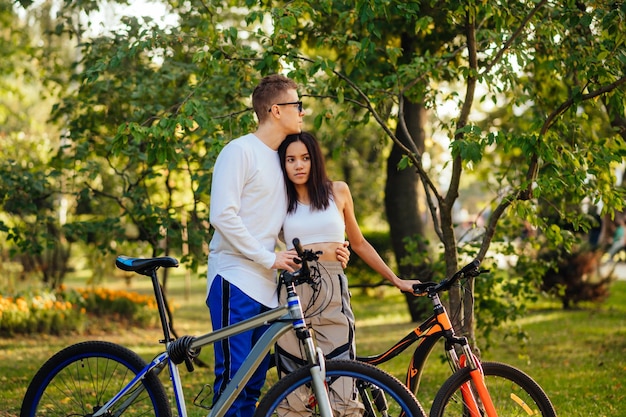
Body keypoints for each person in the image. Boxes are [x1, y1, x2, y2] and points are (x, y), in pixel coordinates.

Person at [206, 75, 349, 416]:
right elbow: (222, 216)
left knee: (253, 382)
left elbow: (294, 217)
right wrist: (267, 258)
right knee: (233, 378)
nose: (301, 111)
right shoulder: (239, 151)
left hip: (268, 287)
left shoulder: (280, 160)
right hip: (235, 277)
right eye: (296, 105)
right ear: (275, 110)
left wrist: (332, 248)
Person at [274, 131, 422, 416]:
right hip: (293, 290)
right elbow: (266, 241)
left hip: (332, 285)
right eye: (290, 160)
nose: (298, 165)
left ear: (315, 160)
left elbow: (359, 243)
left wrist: (396, 280)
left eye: (305, 158)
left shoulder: (338, 191)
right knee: (292, 392)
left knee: (343, 383)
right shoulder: (280, 200)